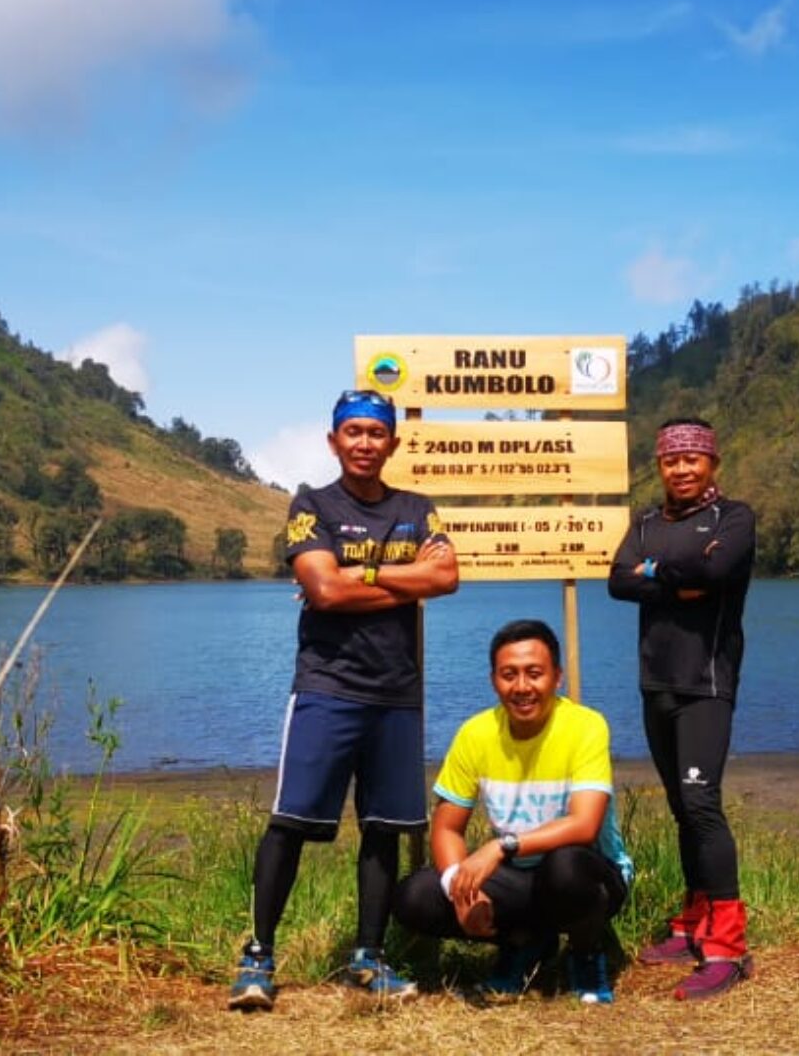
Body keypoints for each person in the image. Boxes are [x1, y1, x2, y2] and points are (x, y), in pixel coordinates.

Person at [229, 388, 458, 1012]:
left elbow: (447, 577)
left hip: (397, 693)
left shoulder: (417, 509)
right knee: (290, 824)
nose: (364, 442)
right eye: (352, 432)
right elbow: (324, 591)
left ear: (393, 442)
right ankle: (257, 958)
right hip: (328, 686)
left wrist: (367, 575)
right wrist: (398, 580)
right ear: (334, 441)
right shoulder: (312, 504)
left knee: (383, 829)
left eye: (375, 432)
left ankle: (368, 957)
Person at [393, 619, 632, 1004]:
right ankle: (525, 943)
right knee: (415, 895)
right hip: (520, 879)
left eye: (534, 674)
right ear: (494, 681)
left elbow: (584, 825)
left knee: (565, 867)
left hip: (589, 873)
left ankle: (587, 952)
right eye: (509, 675)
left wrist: (500, 847)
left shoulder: (586, 726)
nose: (522, 687)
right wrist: (462, 890)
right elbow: (447, 828)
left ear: (557, 677)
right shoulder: (476, 733)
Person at [607, 415, 757, 1000]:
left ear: (712, 463)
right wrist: (675, 578)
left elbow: (717, 570)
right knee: (679, 807)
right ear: (660, 465)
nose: (682, 468)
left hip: (706, 683)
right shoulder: (645, 521)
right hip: (657, 683)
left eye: (693, 459)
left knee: (701, 805)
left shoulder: (734, 518)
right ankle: (695, 920)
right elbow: (618, 581)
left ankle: (728, 947)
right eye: (672, 460)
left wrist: (657, 572)